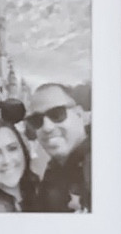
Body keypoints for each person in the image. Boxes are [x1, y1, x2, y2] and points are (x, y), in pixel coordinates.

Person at [26, 83, 91, 212]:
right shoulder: (54, 171)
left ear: (80, 115)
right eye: (36, 120)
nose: (46, 127)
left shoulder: (102, 165)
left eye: (57, 114)